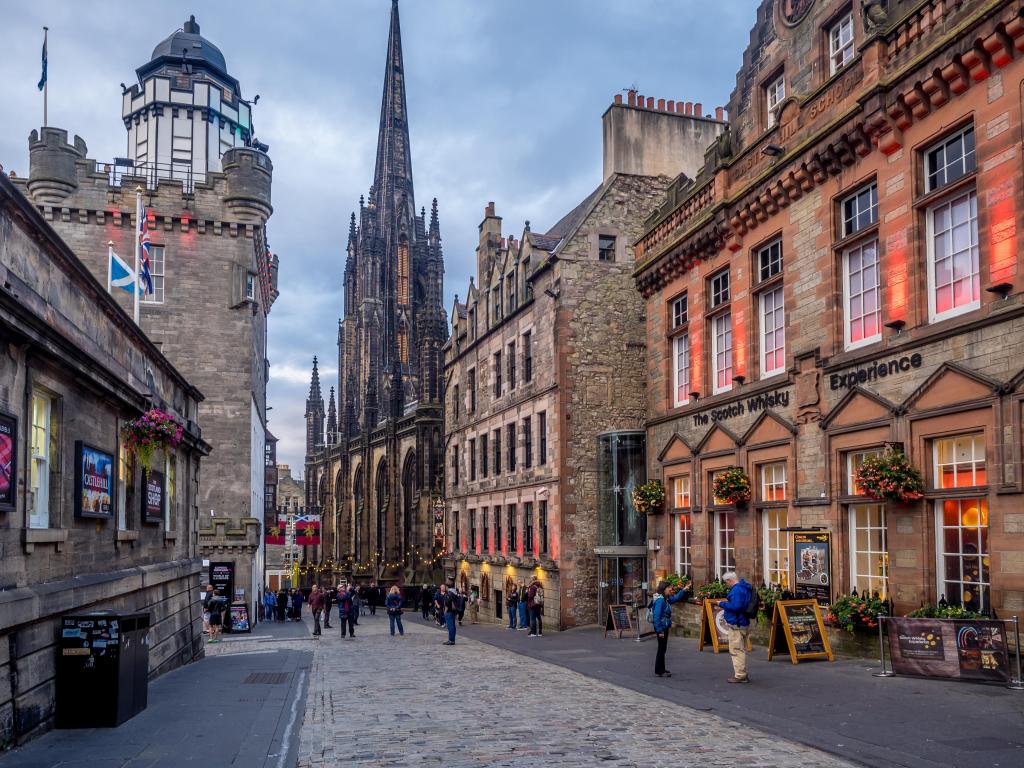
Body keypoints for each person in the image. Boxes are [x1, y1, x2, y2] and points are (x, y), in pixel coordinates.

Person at [718, 571, 755, 683]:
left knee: (736, 650)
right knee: (740, 649)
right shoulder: (744, 588)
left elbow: (736, 606)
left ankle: (740, 675)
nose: (726, 585)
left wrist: (721, 604)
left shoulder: (737, 590)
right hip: (743, 622)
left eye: (726, 582)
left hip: (737, 624)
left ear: (729, 580)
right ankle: (742, 673)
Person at [651, 581, 689, 677]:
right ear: (664, 589)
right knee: (661, 649)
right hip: (661, 628)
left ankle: (661, 669)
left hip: (664, 626)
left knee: (663, 649)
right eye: (669, 588)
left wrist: (684, 590)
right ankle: (659, 670)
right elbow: (656, 616)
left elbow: (675, 598)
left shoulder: (665, 599)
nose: (671, 590)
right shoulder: (660, 601)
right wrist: (659, 631)